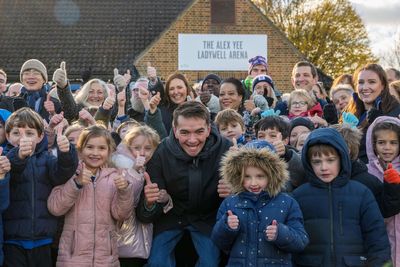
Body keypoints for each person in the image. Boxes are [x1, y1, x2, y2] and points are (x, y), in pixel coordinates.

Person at [136, 101, 231, 267]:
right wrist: (149, 203)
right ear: (175, 130)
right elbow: (147, 212)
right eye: (185, 132)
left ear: (208, 129)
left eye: (199, 132)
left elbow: (251, 190)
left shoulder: (226, 149)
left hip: (207, 217)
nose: (192, 140)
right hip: (172, 216)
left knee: (210, 262)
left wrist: (234, 191)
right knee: (157, 261)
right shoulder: (162, 152)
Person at [292, 128, 391, 266]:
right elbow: (292, 243)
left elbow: (377, 239)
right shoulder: (299, 196)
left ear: (342, 158)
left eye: (330, 160)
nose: (324, 167)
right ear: (308, 163)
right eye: (317, 161)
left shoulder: (361, 193)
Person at [47, 125, 133, 266]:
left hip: (106, 259)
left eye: (101, 148)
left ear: (109, 151)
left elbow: (121, 214)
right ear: (80, 150)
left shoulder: (114, 177)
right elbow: (55, 207)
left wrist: (124, 191)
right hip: (72, 259)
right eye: (90, 147)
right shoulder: (70, 173)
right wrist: (76, 184)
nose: (95, 153)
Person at [3, 107, 78, 267]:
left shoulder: (47, 158)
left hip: (43, 238)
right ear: (8, 136)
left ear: (40, 136)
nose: (22, 138)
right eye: (16, 133)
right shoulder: (6, 159)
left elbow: (62, 175)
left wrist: (66, 153)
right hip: (13, 238)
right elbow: (12, 171)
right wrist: (20, 156)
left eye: (29, 133)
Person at [211, 148, 309, 266]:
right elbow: (219, 242)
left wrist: (281, 233)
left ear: (272, 175)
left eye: (260, 176)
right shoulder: (230, 203)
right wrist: (226, 226)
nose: (253, 183)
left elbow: (301, 241)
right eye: (247, 176)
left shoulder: (288, 203)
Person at [111, 125, 161, 267]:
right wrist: (134, 170)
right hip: (124, 233)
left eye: (148, 148)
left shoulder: (153, 165)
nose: (142, 153)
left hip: (141, 232)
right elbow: (127, 196)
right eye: (137, 148)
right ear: (128, 146)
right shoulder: (120, 165)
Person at [343, 63, 400, 163]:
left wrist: (380, 124)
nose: (365, 87)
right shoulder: (352, 111)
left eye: (372, 82)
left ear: (382, 85)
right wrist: (332, 123)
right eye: (361, 82)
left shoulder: (395, 110)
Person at [366, 116, 400, 265]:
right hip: (380, 244)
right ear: (373, 144)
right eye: (381, 142)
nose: (387, 148)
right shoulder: (367, 172)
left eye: (393, 143)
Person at [254, 116, 306, 191]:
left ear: (285, 141)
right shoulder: (249, 158)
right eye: (261, 136)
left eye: (272, 136)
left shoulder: (291, 156)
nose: (266, 140)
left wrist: (286, 155)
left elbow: (301, 174)